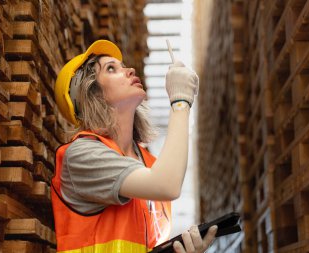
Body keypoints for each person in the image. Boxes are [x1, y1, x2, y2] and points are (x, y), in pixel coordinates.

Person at [51, 39, 217, 253]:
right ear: (92, 94)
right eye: (111, 69)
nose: (129, 70)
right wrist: (180, 101)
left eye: (123, 65)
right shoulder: (81, 156)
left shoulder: (151, 165)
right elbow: (167, 185)